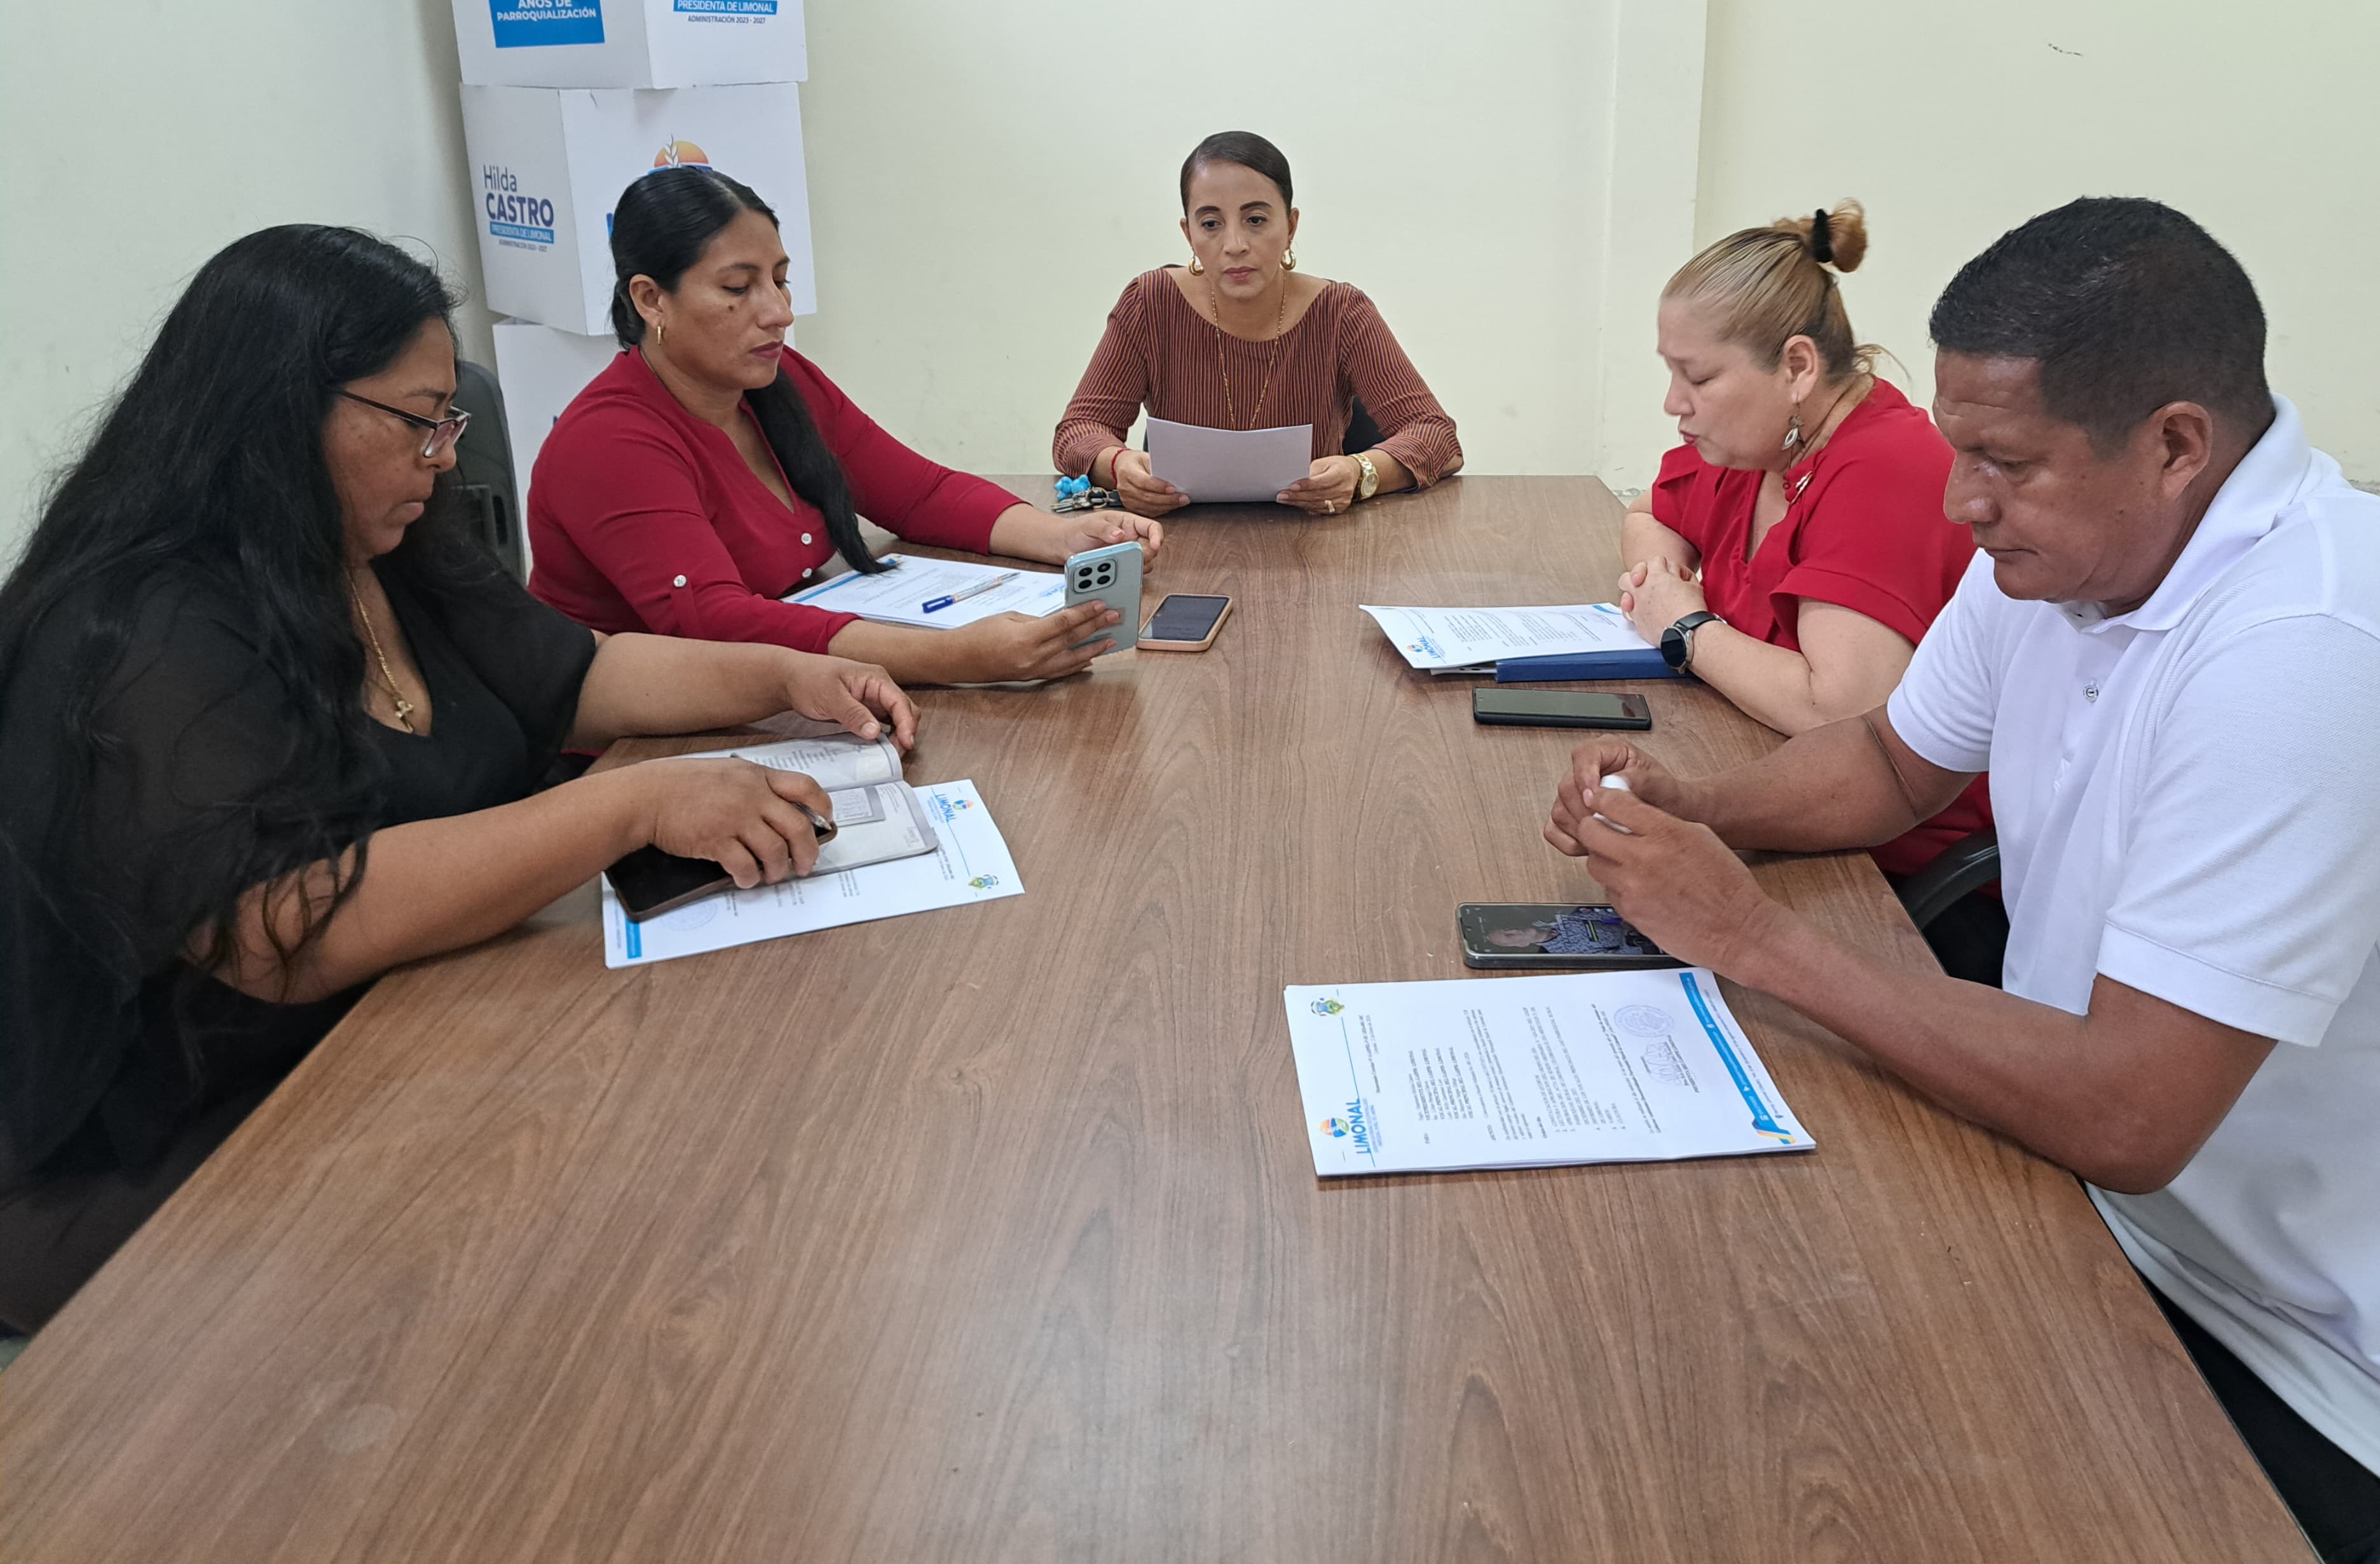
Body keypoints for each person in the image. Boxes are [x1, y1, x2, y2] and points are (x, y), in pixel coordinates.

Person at [1544, 198, 2380, 1561]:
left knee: (1775, 1449)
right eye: (1959, 449)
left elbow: (2128, 1111)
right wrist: (1698, 806)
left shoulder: (2319, 651)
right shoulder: (2061, 555)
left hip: (2342, 1380)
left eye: (2006, 462)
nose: (1959, 502)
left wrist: (1753, 939)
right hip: (2123, 1216)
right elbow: (1890, 759)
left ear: (2175, 445)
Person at [0, 228, 921, 1332]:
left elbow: (577, 674)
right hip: (189, 1135)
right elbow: (284, 928)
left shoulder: (385, 538)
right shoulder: (141, 629)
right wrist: (631, 802)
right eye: (418, 420)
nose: (443, 457)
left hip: (413, 1023)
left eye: (451, 421)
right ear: (281, 411)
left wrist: (786, 672)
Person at [527, 167, 1158, 684]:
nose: (778, 312)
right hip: (635, 747)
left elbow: (920, 494)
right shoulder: (609, 441)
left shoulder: (778, 382)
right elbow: (716, 625)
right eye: (738, 288)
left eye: (780, 281)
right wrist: (954, 657)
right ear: (650, 299)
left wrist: (1064, 538)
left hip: (780, 691)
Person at [1615, 200, 1997, 976]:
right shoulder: (1758, 450)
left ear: (1795, 367)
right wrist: (1665, 585)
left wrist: (1686, 631)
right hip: (1783, 797)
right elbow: (1647, 513)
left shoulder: (1883, 469)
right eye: (1670, 372)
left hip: (1895, 879)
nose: (1672, 403)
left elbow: (1841, 710)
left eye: (1697, 377)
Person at [1052, 131, 1462, 517]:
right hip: (1176, 539)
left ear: (1291, 227)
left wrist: (1360, 473)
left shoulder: (1341, 312)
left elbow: (1437, 437)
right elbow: (1078, 431)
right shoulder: (1151, 303)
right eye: (1210, 224)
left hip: (1316, 540)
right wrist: (1119, 465)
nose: (1235, 245)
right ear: (1189, 234)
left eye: (1256, 220)